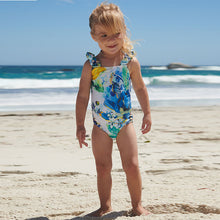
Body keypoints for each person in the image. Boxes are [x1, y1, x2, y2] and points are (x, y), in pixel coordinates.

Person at [76, 2, 151, 217]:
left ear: (124, 31)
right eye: (103, 35)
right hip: (100, 125)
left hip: (124, 122)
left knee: (132, 165)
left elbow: (140, 87)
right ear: (93, 36)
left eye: (116, 34)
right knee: (102, 166)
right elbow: (82, 97)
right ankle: (105, 206)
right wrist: (80, 125)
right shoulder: (91, 64)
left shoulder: (129, 61)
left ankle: (137, 205)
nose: (111, 40)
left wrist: (147, 112)